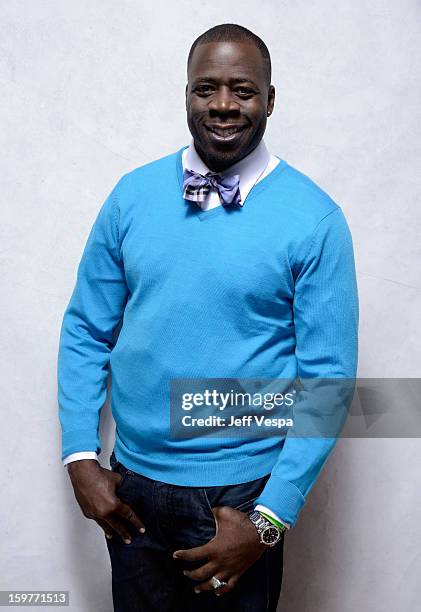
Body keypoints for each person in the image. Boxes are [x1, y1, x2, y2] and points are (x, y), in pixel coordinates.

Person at [57, 23, 359, 612]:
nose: (223, 105)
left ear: (270, 100)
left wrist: (270, 520)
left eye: (243, 91)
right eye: (207, 89)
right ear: (187, 94)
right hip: (133, 488)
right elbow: (86, 330)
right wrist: (79, 458)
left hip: (241, 497)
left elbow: (328, 383)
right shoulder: (131, 195)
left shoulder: (315, 220)